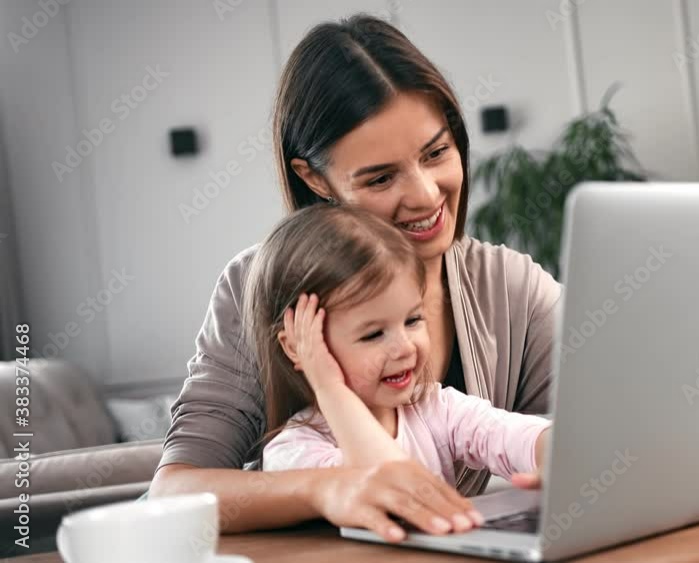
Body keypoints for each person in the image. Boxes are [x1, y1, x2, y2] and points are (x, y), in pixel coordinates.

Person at [148, 15, 562, 543]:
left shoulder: (510, 285)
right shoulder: (257, 288)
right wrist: (326, 489)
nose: (426, 195)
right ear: (313, 178)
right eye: (382, 177)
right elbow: (174, 493)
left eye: (436, 153)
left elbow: (573, 433)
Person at [248, 204, 550, 540]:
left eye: (413, 319)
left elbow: (509, 434)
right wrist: (330, 388)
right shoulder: (293, 453)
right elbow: (390, 488)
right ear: (297, 347)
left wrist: (554, 452)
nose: (405, 347)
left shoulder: (435, 409)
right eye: (373, 334)